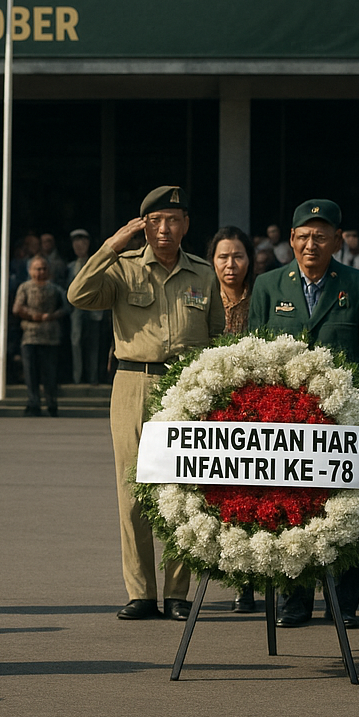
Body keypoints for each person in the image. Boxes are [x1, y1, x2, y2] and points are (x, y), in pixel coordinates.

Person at [68, 185, 224, 621]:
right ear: (144, 226)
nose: (164, 229)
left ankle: (177, 591)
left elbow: (216, 338)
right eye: (155, 221)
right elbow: (78, 295)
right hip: (134, 382)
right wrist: (111, 246)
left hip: (187, 389)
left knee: (184, 490)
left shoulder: (203, 274)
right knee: (132, 490)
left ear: (186, 224)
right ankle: (140, 592)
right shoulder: (123, 269)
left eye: (173, 220)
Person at [249, 199, 359, 628]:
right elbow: (250, 356)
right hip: (285, 426)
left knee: (347, 511)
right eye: (303, 236)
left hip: (342, 423)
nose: (311, 244)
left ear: (337, 241)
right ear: (290, 240)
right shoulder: (269, 285)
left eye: (320, 236)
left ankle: (343, 603)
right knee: (290, 508)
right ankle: (295, 599)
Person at [207, 225, 257, 612]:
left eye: (237, 256)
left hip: (255, 405)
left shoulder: (260, 297)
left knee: (254, 491)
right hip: (213, 405)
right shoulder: (202, 295)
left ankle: (252, 579)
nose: (230, 264)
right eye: (223, 256)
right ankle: (232, 572)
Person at [13, 255, 66, 417]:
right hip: (30, 336)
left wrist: (51, 316)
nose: (40, 272)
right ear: (30, 270)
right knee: (31, 373)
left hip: (50, 337)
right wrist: (33, 316)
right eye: (37, 268)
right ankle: (33, 403)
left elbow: (66, 308)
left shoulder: (56, 289)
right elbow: (17, 308)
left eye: (43, 268)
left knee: (49, 374)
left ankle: (51, 403)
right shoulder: (25, 287)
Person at [67, 229, 104, 385]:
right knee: (76, 342)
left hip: (94, 309)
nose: (78, 246)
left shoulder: (94, 263)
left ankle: (93, 377)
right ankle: (77, 377)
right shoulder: (70, 267)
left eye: (81, 243)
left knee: (93, 344)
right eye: (75, 243)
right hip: (76, 311)